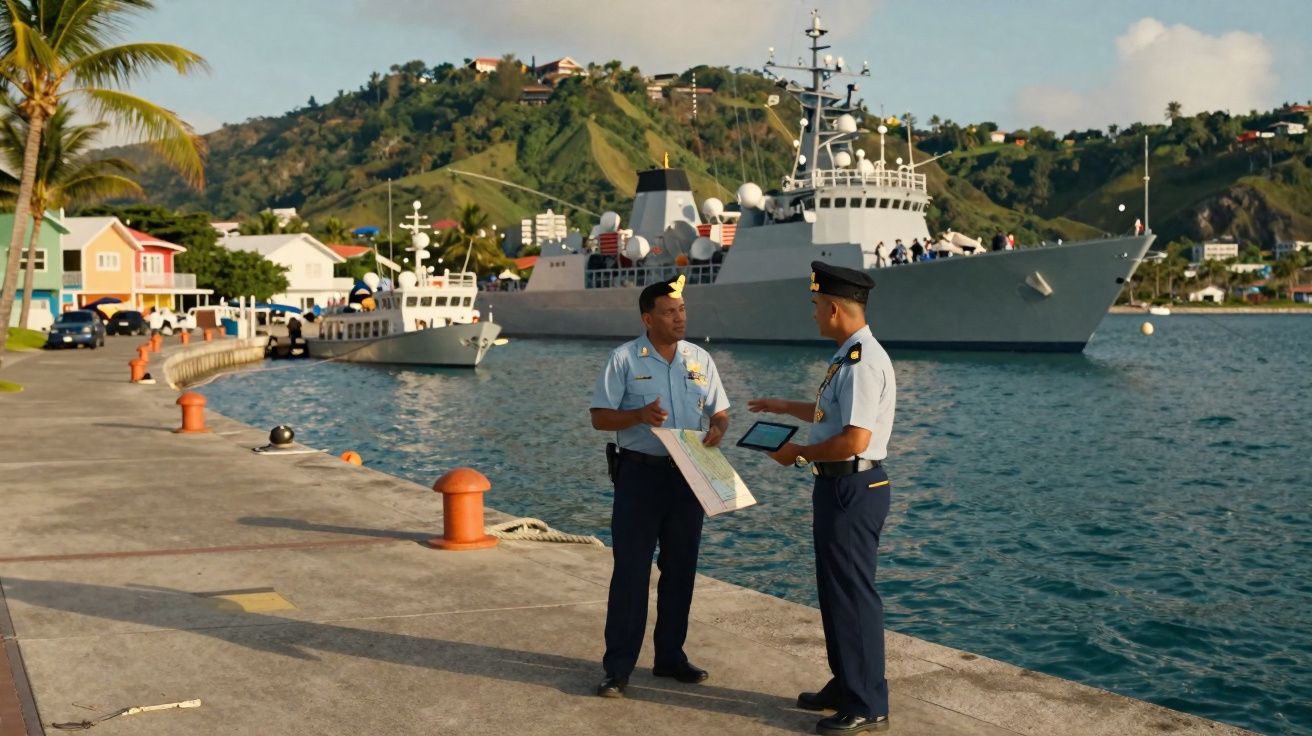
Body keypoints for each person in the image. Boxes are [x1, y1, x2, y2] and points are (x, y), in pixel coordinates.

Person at [748, 261, 896, 735]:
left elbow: (854, 438)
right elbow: (826, 411)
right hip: (839, 486)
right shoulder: (847, 356)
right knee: (835, 593)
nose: (813, 314)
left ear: (834, 308)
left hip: (853, 485)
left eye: (816, 306)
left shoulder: (862, 362)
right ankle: (846, 681)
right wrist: (781, 406)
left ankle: (868, 702)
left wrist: (797, 455)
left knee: (853, 594)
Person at [589, 274, 730, 698]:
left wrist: (718, 428)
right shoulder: (625, 360)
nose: (679, 318)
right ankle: (618, 668)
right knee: (631, 572)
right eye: (669, 312)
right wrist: (637, 416)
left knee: (681, 569)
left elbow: (720, 410)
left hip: (690, 474)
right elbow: (599, 417)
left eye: (682, 310)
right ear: (647, 318)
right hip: (640, 476)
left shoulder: (700, 359)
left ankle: (670, 657)